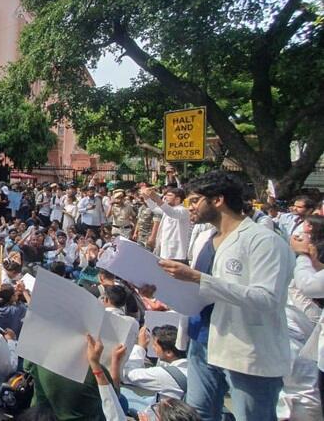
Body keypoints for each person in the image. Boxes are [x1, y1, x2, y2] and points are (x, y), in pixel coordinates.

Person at [158, 171, 293, 421]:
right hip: (201, 340)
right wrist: (160, 288)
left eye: (195, 201)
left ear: (217, 200)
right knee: (197, 415)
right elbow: (199, 290)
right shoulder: (205, 240)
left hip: (246, 349)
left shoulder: (264, 241)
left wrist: (199, 278)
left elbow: (268, 299)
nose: (190, 208)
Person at [121, 325, 188, 414]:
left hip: (163, 415)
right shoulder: (192, 367)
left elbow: (128, 375)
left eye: (155, 345)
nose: (153, 347)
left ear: (169, 352)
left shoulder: (166, 375)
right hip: (180, 411)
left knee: (122, 393)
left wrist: (140, 347)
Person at [142, 187, 191, 262]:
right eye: (166, 195)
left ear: (177, 199)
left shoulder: (183, 210)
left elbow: (172, 212)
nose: (165, 197)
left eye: (169, 195)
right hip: (165, 252)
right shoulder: (169, 210)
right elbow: (155, 208)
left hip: (176, 254)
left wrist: (156, 198)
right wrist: (146, 197)